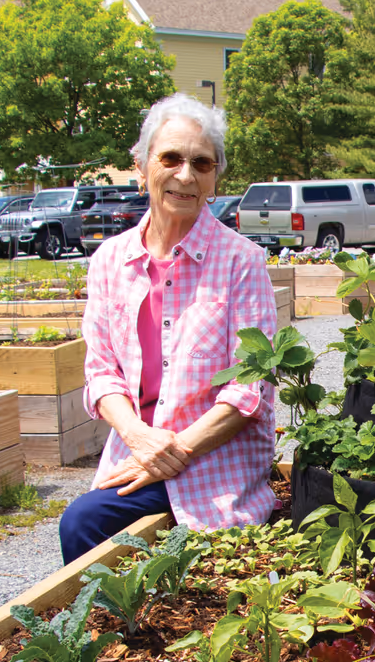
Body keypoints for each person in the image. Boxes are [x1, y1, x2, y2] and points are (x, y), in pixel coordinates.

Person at [59, 93, 277, 564]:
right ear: (141, 168)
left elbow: (248, 389)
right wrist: (140, 439)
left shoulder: (242, 261)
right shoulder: (110, 261)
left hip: (213, 463)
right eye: (171, 158)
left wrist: (171, 452)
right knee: (82, 522)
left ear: (215, 178)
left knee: (85, 521)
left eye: (201, 163)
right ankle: (110, 633)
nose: (185, 175)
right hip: (138, 454)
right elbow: (101, 374)